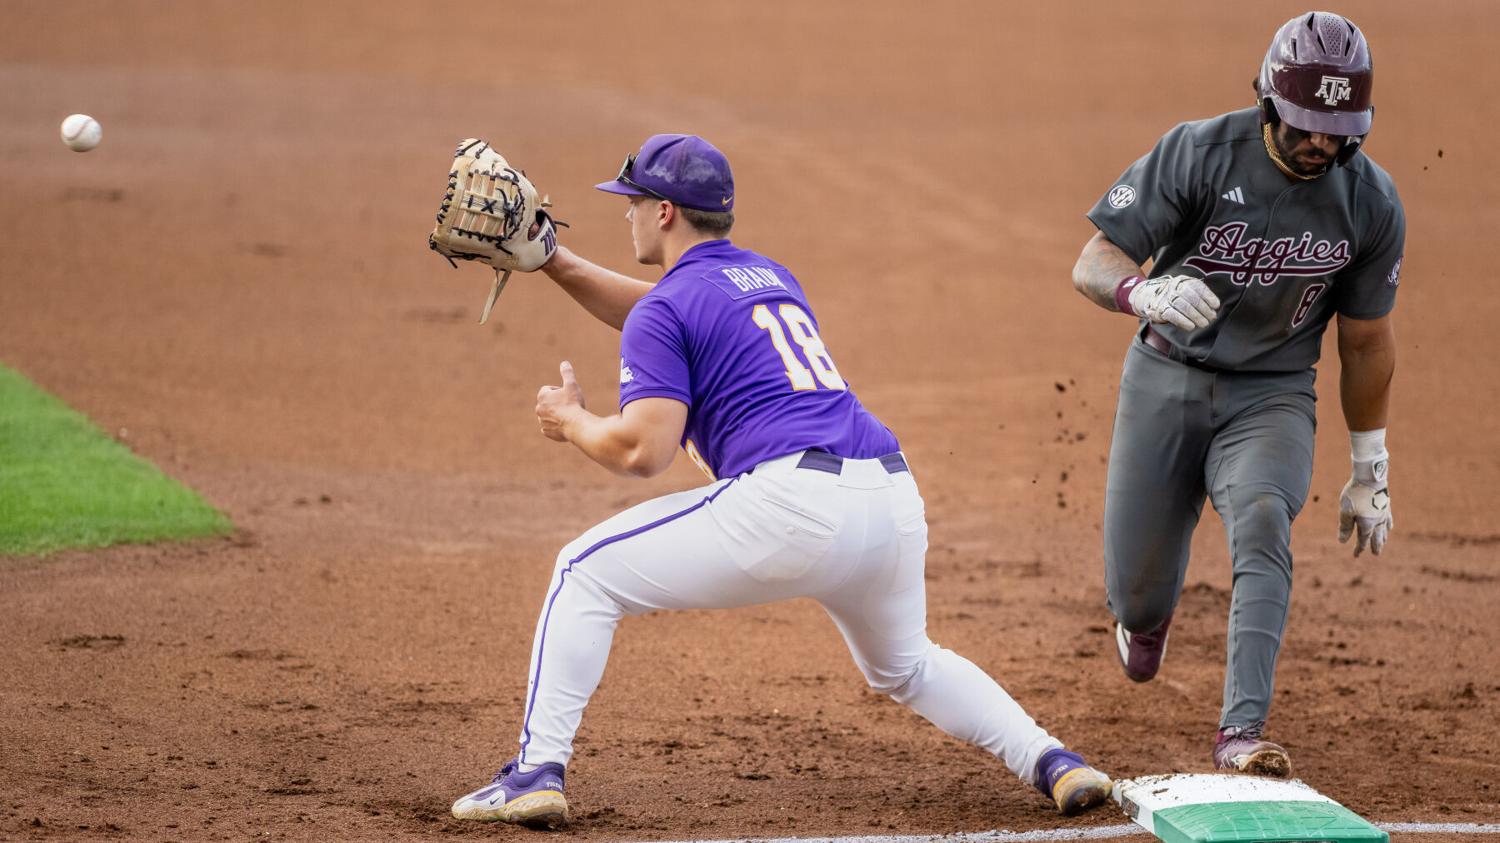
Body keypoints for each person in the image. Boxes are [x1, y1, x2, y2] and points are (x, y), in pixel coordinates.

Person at [450, 133, 1112, 827]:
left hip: (789, 507)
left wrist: (573, 420)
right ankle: (1054, 761)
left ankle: (536, 770)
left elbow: (643, 450)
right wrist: (554, 259)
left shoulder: (667, 309)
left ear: (667, 211)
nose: (628, 214)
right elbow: (661, 310)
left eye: (635, 202)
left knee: (582, 571)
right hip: (888, 497)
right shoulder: (767, 277)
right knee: (909, 665)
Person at [1071, 11, 1402, 777]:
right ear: (1267, 103)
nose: (1322, 142)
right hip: (1163, 376)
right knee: (1138, 591)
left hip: (1273, 394)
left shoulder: (1371, 202)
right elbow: (1094, 257)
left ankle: (1243, 733)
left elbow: (1364, 341)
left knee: (1262, 518)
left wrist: (1370, 465)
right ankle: (1145, 619)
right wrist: (1139, 291)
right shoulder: (1197, 151)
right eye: (1305, 125)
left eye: (1340, 128)